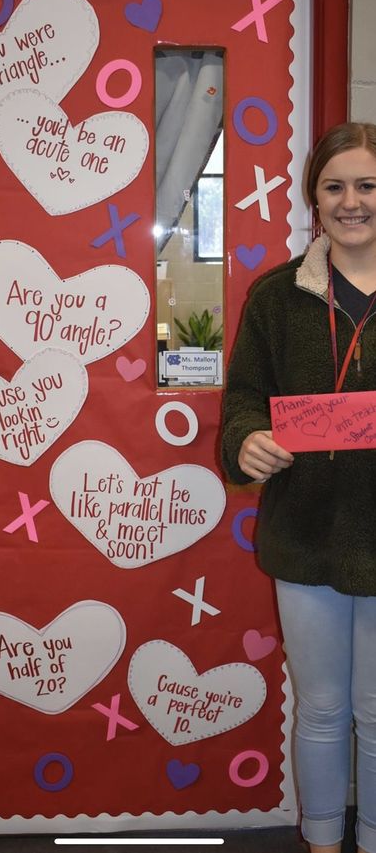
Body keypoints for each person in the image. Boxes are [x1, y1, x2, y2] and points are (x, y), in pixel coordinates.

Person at [220, 122, 376, 853]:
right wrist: (245, 440)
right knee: (319, 707)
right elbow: (244, 399)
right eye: (335, 186)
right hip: (304, 534)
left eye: (368, 185)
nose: (352, 201)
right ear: (314, 199)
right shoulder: (277, 295)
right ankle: (321, 842)